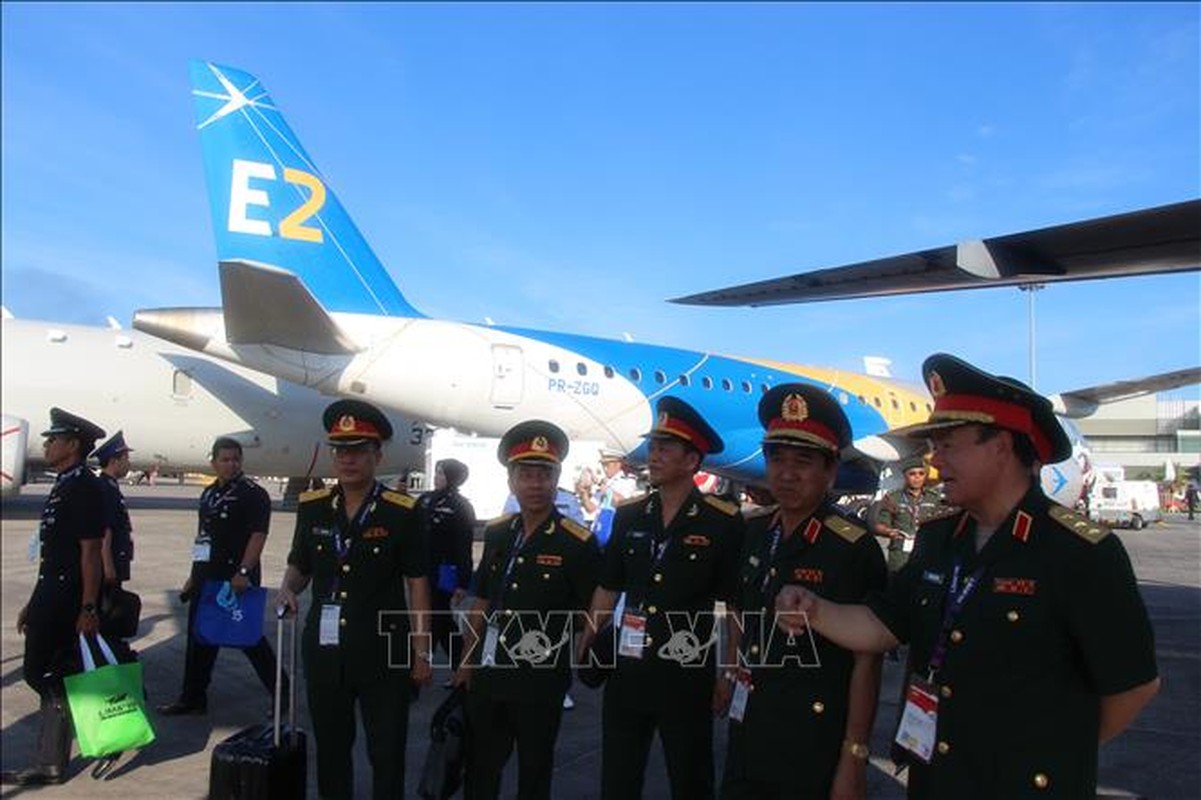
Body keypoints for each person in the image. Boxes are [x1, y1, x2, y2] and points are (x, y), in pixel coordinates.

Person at [775, 353, 1161, 799]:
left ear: (1000, 446)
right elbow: (884, 624)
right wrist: (816, 610)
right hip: (937, 778)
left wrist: (1055, 752)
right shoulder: (940, 539)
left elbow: (1134, 685)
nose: (935, 461)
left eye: (948, 444)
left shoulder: (1079, 551)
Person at [721, 384, 887, 799]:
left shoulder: (852, 547)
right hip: (749, 724)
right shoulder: (756, 531)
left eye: (803, 461)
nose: (787, 473)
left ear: (831, 472)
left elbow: (867, 661)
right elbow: (741, 612)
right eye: (776, 459)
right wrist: (728, 674)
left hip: (814, 738)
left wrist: (854, 757)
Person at [579, 396, 745, 800]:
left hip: (684, 672)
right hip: (627, 669)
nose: (652, 456)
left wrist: (728, 672)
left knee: (690, 777)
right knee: (618, 776)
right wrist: (587, 634)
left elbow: (735, 604)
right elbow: (608, 584)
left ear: (692, 461)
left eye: (664, 449)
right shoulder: (631, 514)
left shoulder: (722, 520)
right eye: (652, 447)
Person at [278, 400, 433, 800]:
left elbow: (417, 582)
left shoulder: (403, 511)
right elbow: (301, 564)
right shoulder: (313, 508)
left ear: (377, 455)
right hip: (326, 653)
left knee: (386, 752)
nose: (347, 460)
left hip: (383, 650)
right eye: (340, 450)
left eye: (358, 450)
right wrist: (286, 588)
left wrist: (421, 651)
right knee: (330, 750)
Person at [454, 420, 601, 800]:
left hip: (541, 680)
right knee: (481, 768)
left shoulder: (577, 543)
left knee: (534, 772)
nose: (536, 484)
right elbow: (483, 601)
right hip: (489, 674)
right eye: (526, 475)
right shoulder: (500, 532)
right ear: (512, 482)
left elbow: (592, 613)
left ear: (556, 481)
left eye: (544, 475)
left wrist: (582, 659)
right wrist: (466, 663)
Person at [3, 409, 106, 786]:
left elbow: (90, 551)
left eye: (53, 439)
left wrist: (89, 606)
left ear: (73, 445)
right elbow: (53, 553)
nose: (46, 445)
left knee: (42, 673)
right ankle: (51, 760)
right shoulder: (65, 483)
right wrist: (34, 601)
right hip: (52, 589)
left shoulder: (83, 487)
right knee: (50, 673)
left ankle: (51, 760)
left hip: (67, 595)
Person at [158, 437, 287, 716]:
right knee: (199, 637)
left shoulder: (253, 493)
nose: (231, 464)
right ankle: (192, 697)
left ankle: (282, 694)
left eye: (235, 459)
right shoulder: (208, 494)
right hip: (207, 575)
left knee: (248, 638)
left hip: (235, 577)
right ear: (213, 462)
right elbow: (202, 536)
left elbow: (258, 535)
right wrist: (194, 576)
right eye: (225, 459)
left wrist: (243, 571)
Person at [418, 457, 476, 672]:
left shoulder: (461, 506)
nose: (436, 477)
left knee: (437, 617)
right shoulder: (425, 499)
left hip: (446, 571)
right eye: (436, 472)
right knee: (437, 619)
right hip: (424, 568)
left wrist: (463, 582)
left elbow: (464, 546)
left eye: (441, 473)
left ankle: (421, 670)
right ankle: (462, 667)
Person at [874, 456, 947, 574]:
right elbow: (879, 525)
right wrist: (889, 532)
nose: (917, 477)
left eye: (921, 473)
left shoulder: (935, 498)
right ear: (905, 476)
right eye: (912, 474)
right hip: (900, 557)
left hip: (926, 555)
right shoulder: (892, 498)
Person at [93, 431, 135, 593]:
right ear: (114, 461)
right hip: (108, 567)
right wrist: (108, 566)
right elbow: (105, 530)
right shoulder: (106, 489)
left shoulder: (109, 486)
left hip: (115, 561)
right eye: (126, 459)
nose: (128, 464)